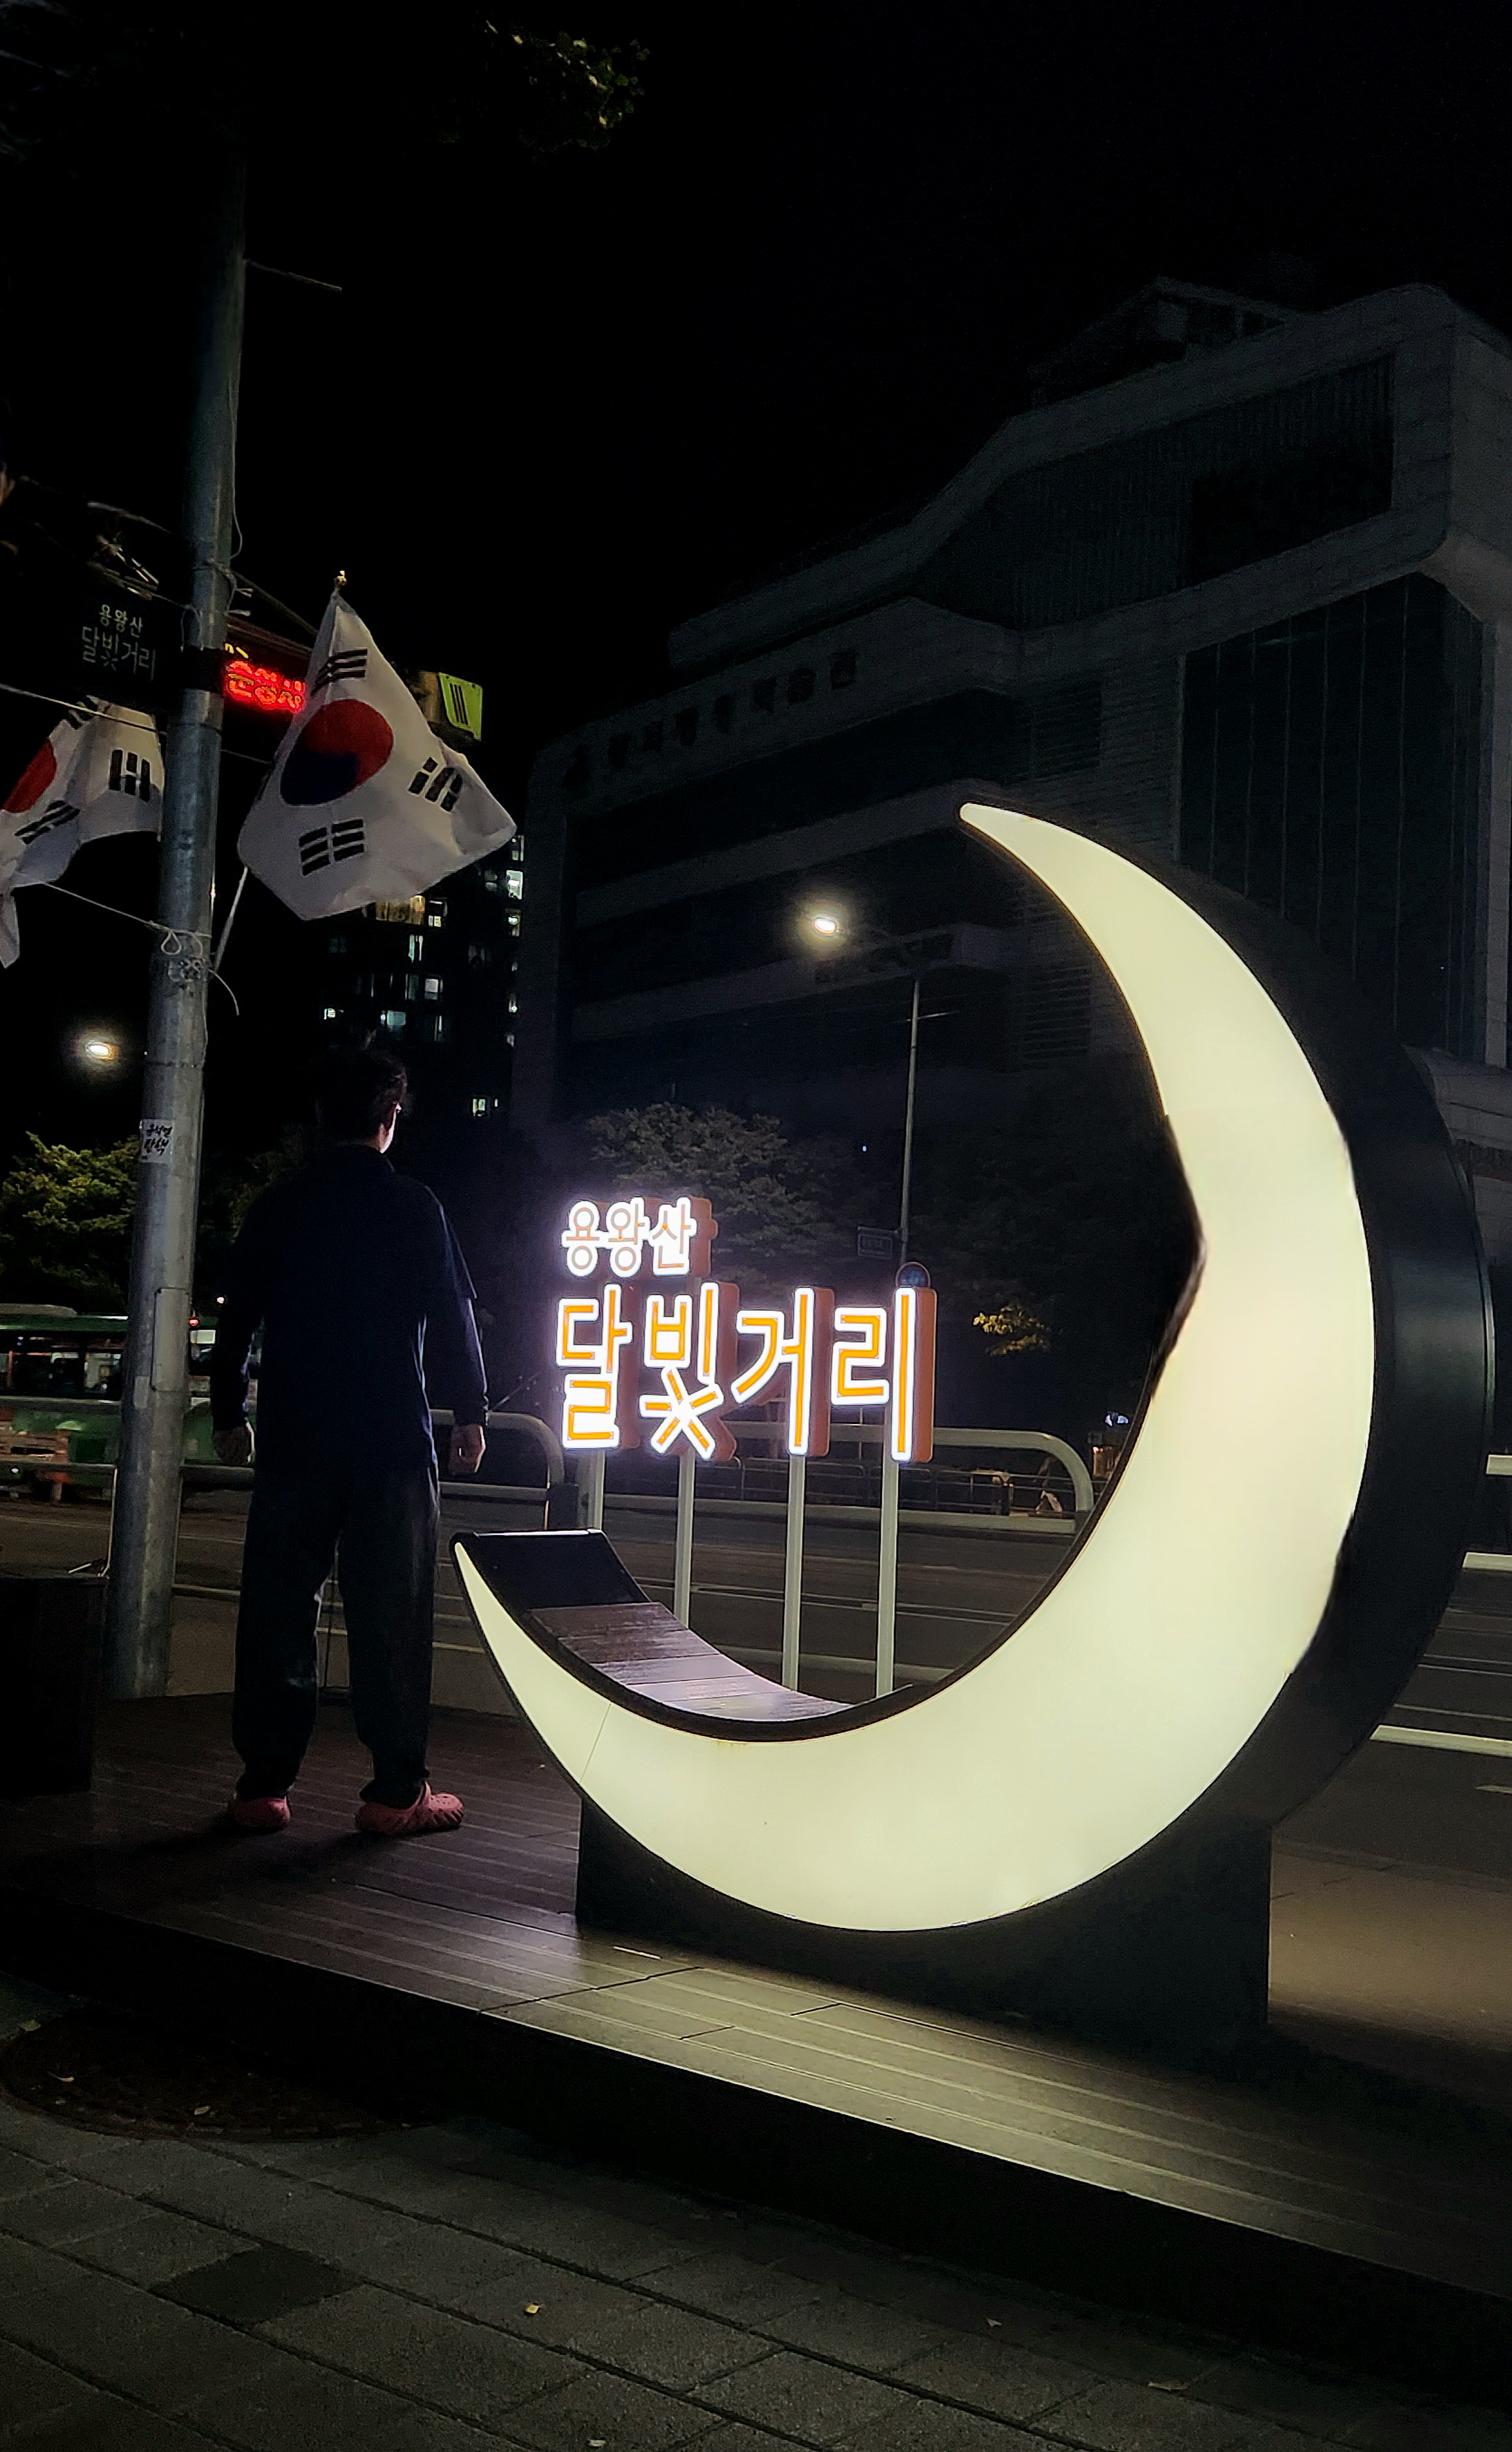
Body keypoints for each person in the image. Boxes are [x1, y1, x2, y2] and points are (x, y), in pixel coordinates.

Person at [210, 1038, 488, 1837]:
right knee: (392, 1614)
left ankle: (264, 1786)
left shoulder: (280, 1206)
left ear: (319, 1116)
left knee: (277, 1612)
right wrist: (471, 1412)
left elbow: (237, 1320)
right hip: (391, 1439)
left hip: (295, 1437)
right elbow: (454, 1315)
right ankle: (396, 1792)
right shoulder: (416, 1206)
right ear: (389, 1119)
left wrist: (229, 1411)